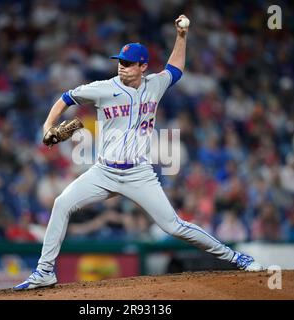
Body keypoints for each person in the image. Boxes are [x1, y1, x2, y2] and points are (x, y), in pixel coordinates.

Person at [14, 15, 264, 290]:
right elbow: (66, 98)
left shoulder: (154, 84)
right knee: (62, 203)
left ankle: (236, 257)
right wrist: (48, 125)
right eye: (120, 62)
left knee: (174, 226)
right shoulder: (103, 88)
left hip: (139, 174)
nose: (122, 67)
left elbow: (176, 68)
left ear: (143, 66)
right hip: (103, 171)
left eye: (128, 64)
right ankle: (44, 271)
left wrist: (181, 36)